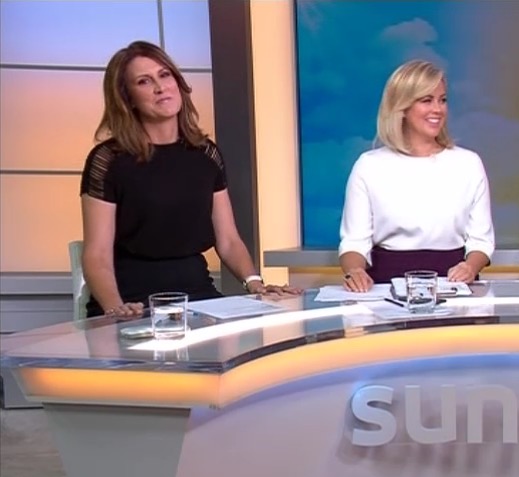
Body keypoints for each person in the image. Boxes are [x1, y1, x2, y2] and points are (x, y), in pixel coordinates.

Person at [80, 40, 296, 319]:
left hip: (198, 296)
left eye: (164, 75)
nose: (160, 87)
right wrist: (115, 308)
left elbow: (228, 240)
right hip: (134, 299)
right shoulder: (108, 160)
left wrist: (255, 284)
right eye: (144, 81)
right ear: (127, 98)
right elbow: (96, 254)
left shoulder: (206, 154)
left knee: (260, 331)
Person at [338, 60, 495, 291]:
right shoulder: (369, 166)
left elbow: (481, 241)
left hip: (453, 285)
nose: (437, 109)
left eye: (442, 100)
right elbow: (354, 242)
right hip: (385, 287)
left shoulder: (468, 164)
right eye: (426, 100)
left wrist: (470, 267)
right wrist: (355, 271)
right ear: (402, 107)